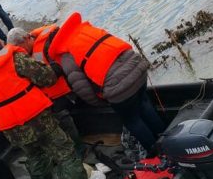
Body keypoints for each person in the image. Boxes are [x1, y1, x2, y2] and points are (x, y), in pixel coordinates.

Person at [0, 31, 109, 179]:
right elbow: (46, 78)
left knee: (35, 157)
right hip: (37, 119)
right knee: (65, 153)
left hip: (12, 128)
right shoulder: (15, 59)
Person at [45, 12, 166, 152]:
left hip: (118, 88)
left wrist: (101, 102)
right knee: (144, 104)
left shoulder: (66, 56)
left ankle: (157, 152)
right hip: (138, 67)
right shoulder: (86, 31)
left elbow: (83, 89)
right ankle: (166, 138)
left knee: (132, 120)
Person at [7, 27, 84, 153]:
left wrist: (42, 75)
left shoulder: (47, 45)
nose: (19, 52)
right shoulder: (22, 58)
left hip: (65, 91)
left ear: (27, 39)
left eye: (19, 48)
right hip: (47, 97)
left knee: (62, 118)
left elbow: (61, 66)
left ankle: (80, 150)